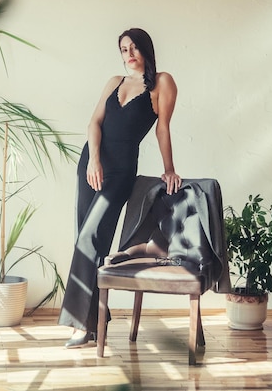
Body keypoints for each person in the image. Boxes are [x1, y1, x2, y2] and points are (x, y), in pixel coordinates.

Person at [58, 28, 182, 348]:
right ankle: (94, 321)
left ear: (146, 49)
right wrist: (93, 161)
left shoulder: (162, 83)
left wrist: (169, 169)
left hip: (122, 170)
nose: (129, 54)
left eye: (134, 47)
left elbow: (162, 129)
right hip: (92, 164)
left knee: (91, 237)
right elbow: (93, 124)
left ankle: (82, 325)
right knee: (85, 239)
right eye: (124, 49)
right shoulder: (114, 82)